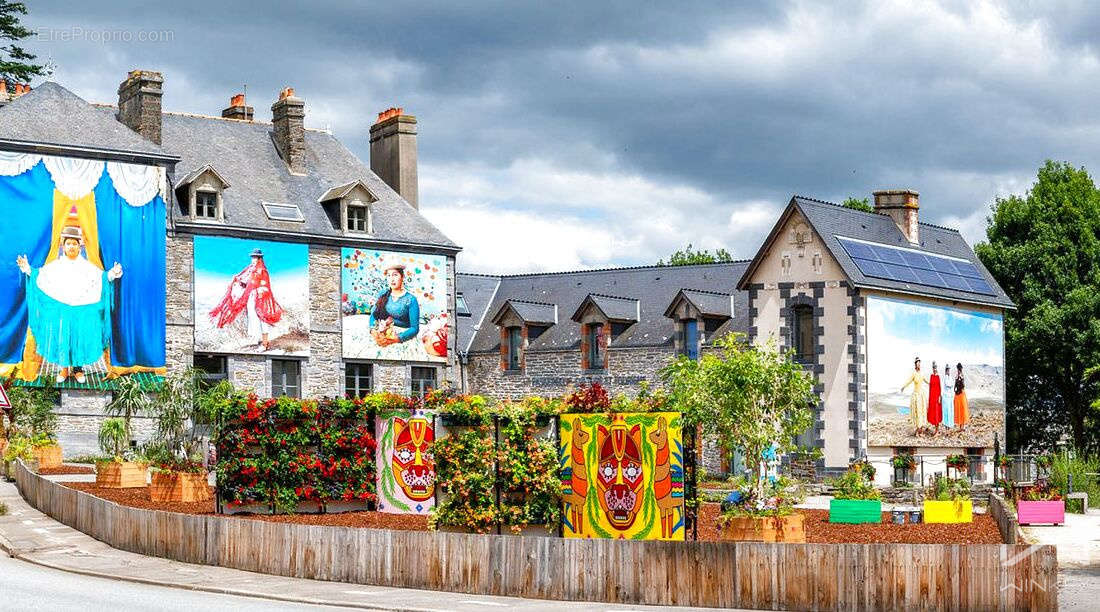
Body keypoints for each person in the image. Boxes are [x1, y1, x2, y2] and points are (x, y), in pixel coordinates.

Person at [16, 225, 122, 384]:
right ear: (63, 246)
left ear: (80, 246)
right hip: (63, 310)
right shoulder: (56, 266)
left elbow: (101, 278)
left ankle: (78, 369)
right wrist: (28, 269)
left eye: (74, 243)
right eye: (68, 244)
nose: (71, 247)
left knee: (79, 336)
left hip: (82, 309)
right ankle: (64, 368)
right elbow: (41, 276)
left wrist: (112, 274)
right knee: (63, 337)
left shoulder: (87, 267)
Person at [209, 248, 283, 351]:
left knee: (262, 319)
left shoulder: (262, 271)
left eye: (255, 257)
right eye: (252, 257)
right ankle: (261, 341)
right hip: (252, 298)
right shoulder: (252, 271)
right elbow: (250, 285)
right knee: (255, 319)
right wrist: (240, 282)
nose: (253, 259)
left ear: (259, 258)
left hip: (260, 298)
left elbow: (265, 285)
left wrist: (259, 292)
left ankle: (265, 344)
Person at [370, 263, 420, 348]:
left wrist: (395, 339)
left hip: (402, 333)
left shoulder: (411, 299)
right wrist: (373, 331)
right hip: (383, 328)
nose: (391, 279)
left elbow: (414, 328)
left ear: (402, 277)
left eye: (395, 275)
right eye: (389, 276)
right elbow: (374, 315)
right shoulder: (383, 294)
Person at [900, 357, 928, 429]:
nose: (919, 365)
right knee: (917, 411)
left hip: (921, 395)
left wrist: (934, 384)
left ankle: (921, 427)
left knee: (921, 411)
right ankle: (918, 427)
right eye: (917, 363)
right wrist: (903, 387)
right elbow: (909, 381)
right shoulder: (914, 374)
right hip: (916, 395)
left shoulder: (922, 373)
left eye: (919, 363)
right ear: (915, 365)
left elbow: (926, 381)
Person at [954, 362, 969, 428]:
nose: (959, 370)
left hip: (960, 393)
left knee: (962, 409)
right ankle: (961, 426)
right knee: (959, 409)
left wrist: (960, 379)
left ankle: (962, 426)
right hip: (959, 394)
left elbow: (963, 385)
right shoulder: (957, 376)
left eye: (959, 369)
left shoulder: (961, 376)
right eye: (958, 369)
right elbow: (955, 386)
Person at [927, 361, 942, 429]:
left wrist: (939, 397)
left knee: (937, 413)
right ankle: (936, 429)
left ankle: (937, 430)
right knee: (933, 413)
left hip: (936, 397)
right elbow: (930, 387)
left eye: (935, 368)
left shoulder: (938, 377)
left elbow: (939, 388)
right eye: (933, 368)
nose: (934, 369)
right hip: (932, 397)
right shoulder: (931, 376)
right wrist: (929, 398)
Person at [941, 363, 955, 428]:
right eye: (947, 370)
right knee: (946, 411)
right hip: (946, 396)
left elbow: (952, 384)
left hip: (950, 396)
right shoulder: (945, 378)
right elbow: (948, 384)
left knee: (950, 410)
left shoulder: (950, 377)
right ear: (946, 371)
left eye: (949, 370)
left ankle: (950, 424)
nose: (948, 371)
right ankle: (946, 425)